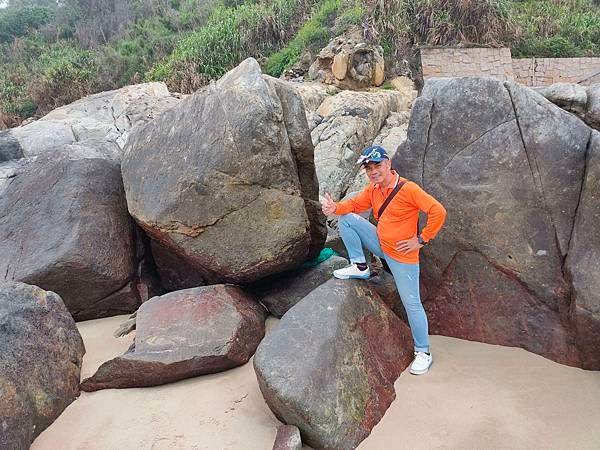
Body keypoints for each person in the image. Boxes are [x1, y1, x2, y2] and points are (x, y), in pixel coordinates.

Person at [321, 145, 446, 375]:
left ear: (388, 164)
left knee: (412, 304)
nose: (373, 171)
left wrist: (421, 240)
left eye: (377, 165)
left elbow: (437, 211)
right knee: (346, 217)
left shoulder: (409, 189)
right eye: (369, 168)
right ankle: (359, 265)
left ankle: (423, 352)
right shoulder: (373, 190)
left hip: (403, 256)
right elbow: (355, 205)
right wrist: (334, 207)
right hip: (381, 244)